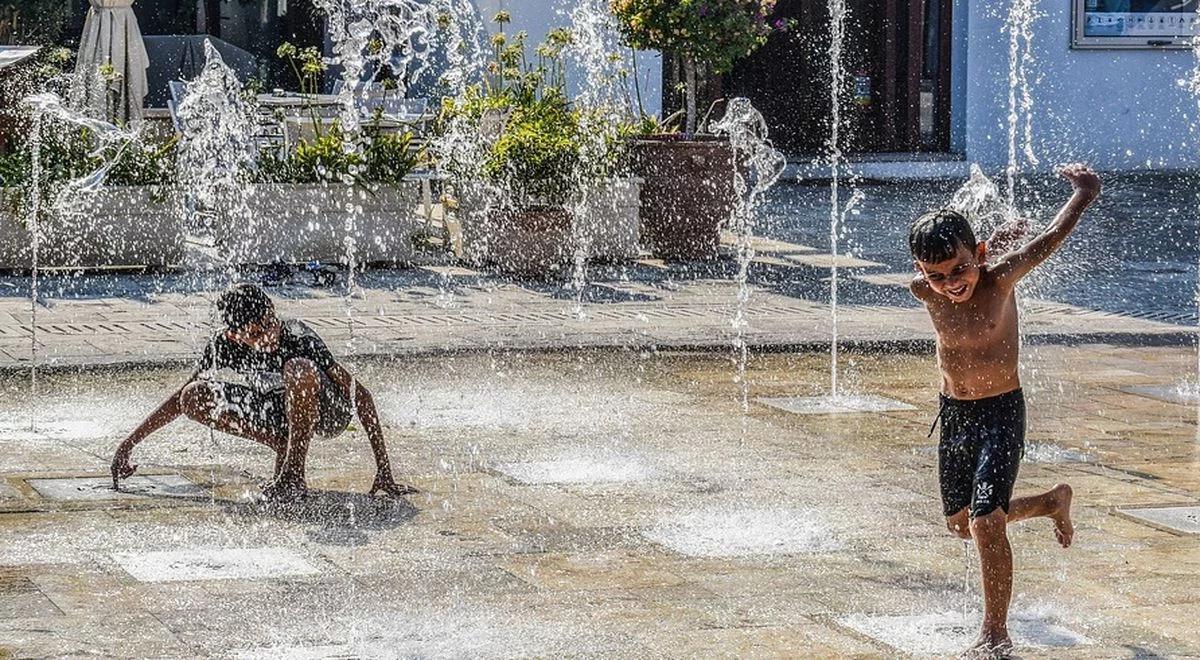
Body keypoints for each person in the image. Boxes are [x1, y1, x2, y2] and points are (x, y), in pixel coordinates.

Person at [908, 164, 1099, 657]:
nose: (951, 284)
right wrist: (986, 240)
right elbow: (947, 269)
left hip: (999, 413)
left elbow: (1052, 237)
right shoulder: (922, 291)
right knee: (962, 521)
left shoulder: (999, 278)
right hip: (954, 414)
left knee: (985, 523)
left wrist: (1083, 193)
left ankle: (995, 632)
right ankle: (1052, 501)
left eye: (959, 270)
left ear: (981, 257)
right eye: (937, 275)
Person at [110, 283, 416, 502]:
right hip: (277, 410)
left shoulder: (298, 338)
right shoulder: (223, 345)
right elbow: (179, 401)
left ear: (272, 310)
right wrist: (128, 444)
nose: (268, 337)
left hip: (328, 412)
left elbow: (360, 396)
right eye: (256, 334)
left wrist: (384, 471)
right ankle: (281, 446)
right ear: (234, 334)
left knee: (298, 368)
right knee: (193, 395)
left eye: (269, 324)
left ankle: (294, 473)